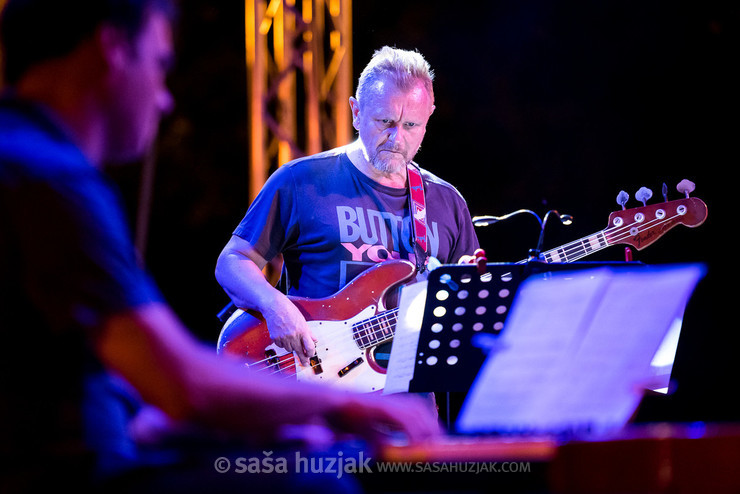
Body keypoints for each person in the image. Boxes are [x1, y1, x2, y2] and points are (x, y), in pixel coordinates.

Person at [0, 1, 441, 492]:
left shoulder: (24, 159)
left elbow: (74, 370)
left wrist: (146, 416)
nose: (165, 99)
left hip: (90, 446)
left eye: (411, 125)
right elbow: (181, 380)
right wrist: (340, 403)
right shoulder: (48, 182)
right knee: (311, 480)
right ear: (113, 49)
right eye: (161, 64)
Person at [215, 47, 480, 382]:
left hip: (408, 400)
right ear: (356, 112)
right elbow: (232, 261)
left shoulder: (446, 202)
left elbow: (472, 310)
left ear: (428, 119)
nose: (397, 138)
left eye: (411, 125)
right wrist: (274, 305)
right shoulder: (302, 181)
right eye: (385, 121)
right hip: (315, 390)